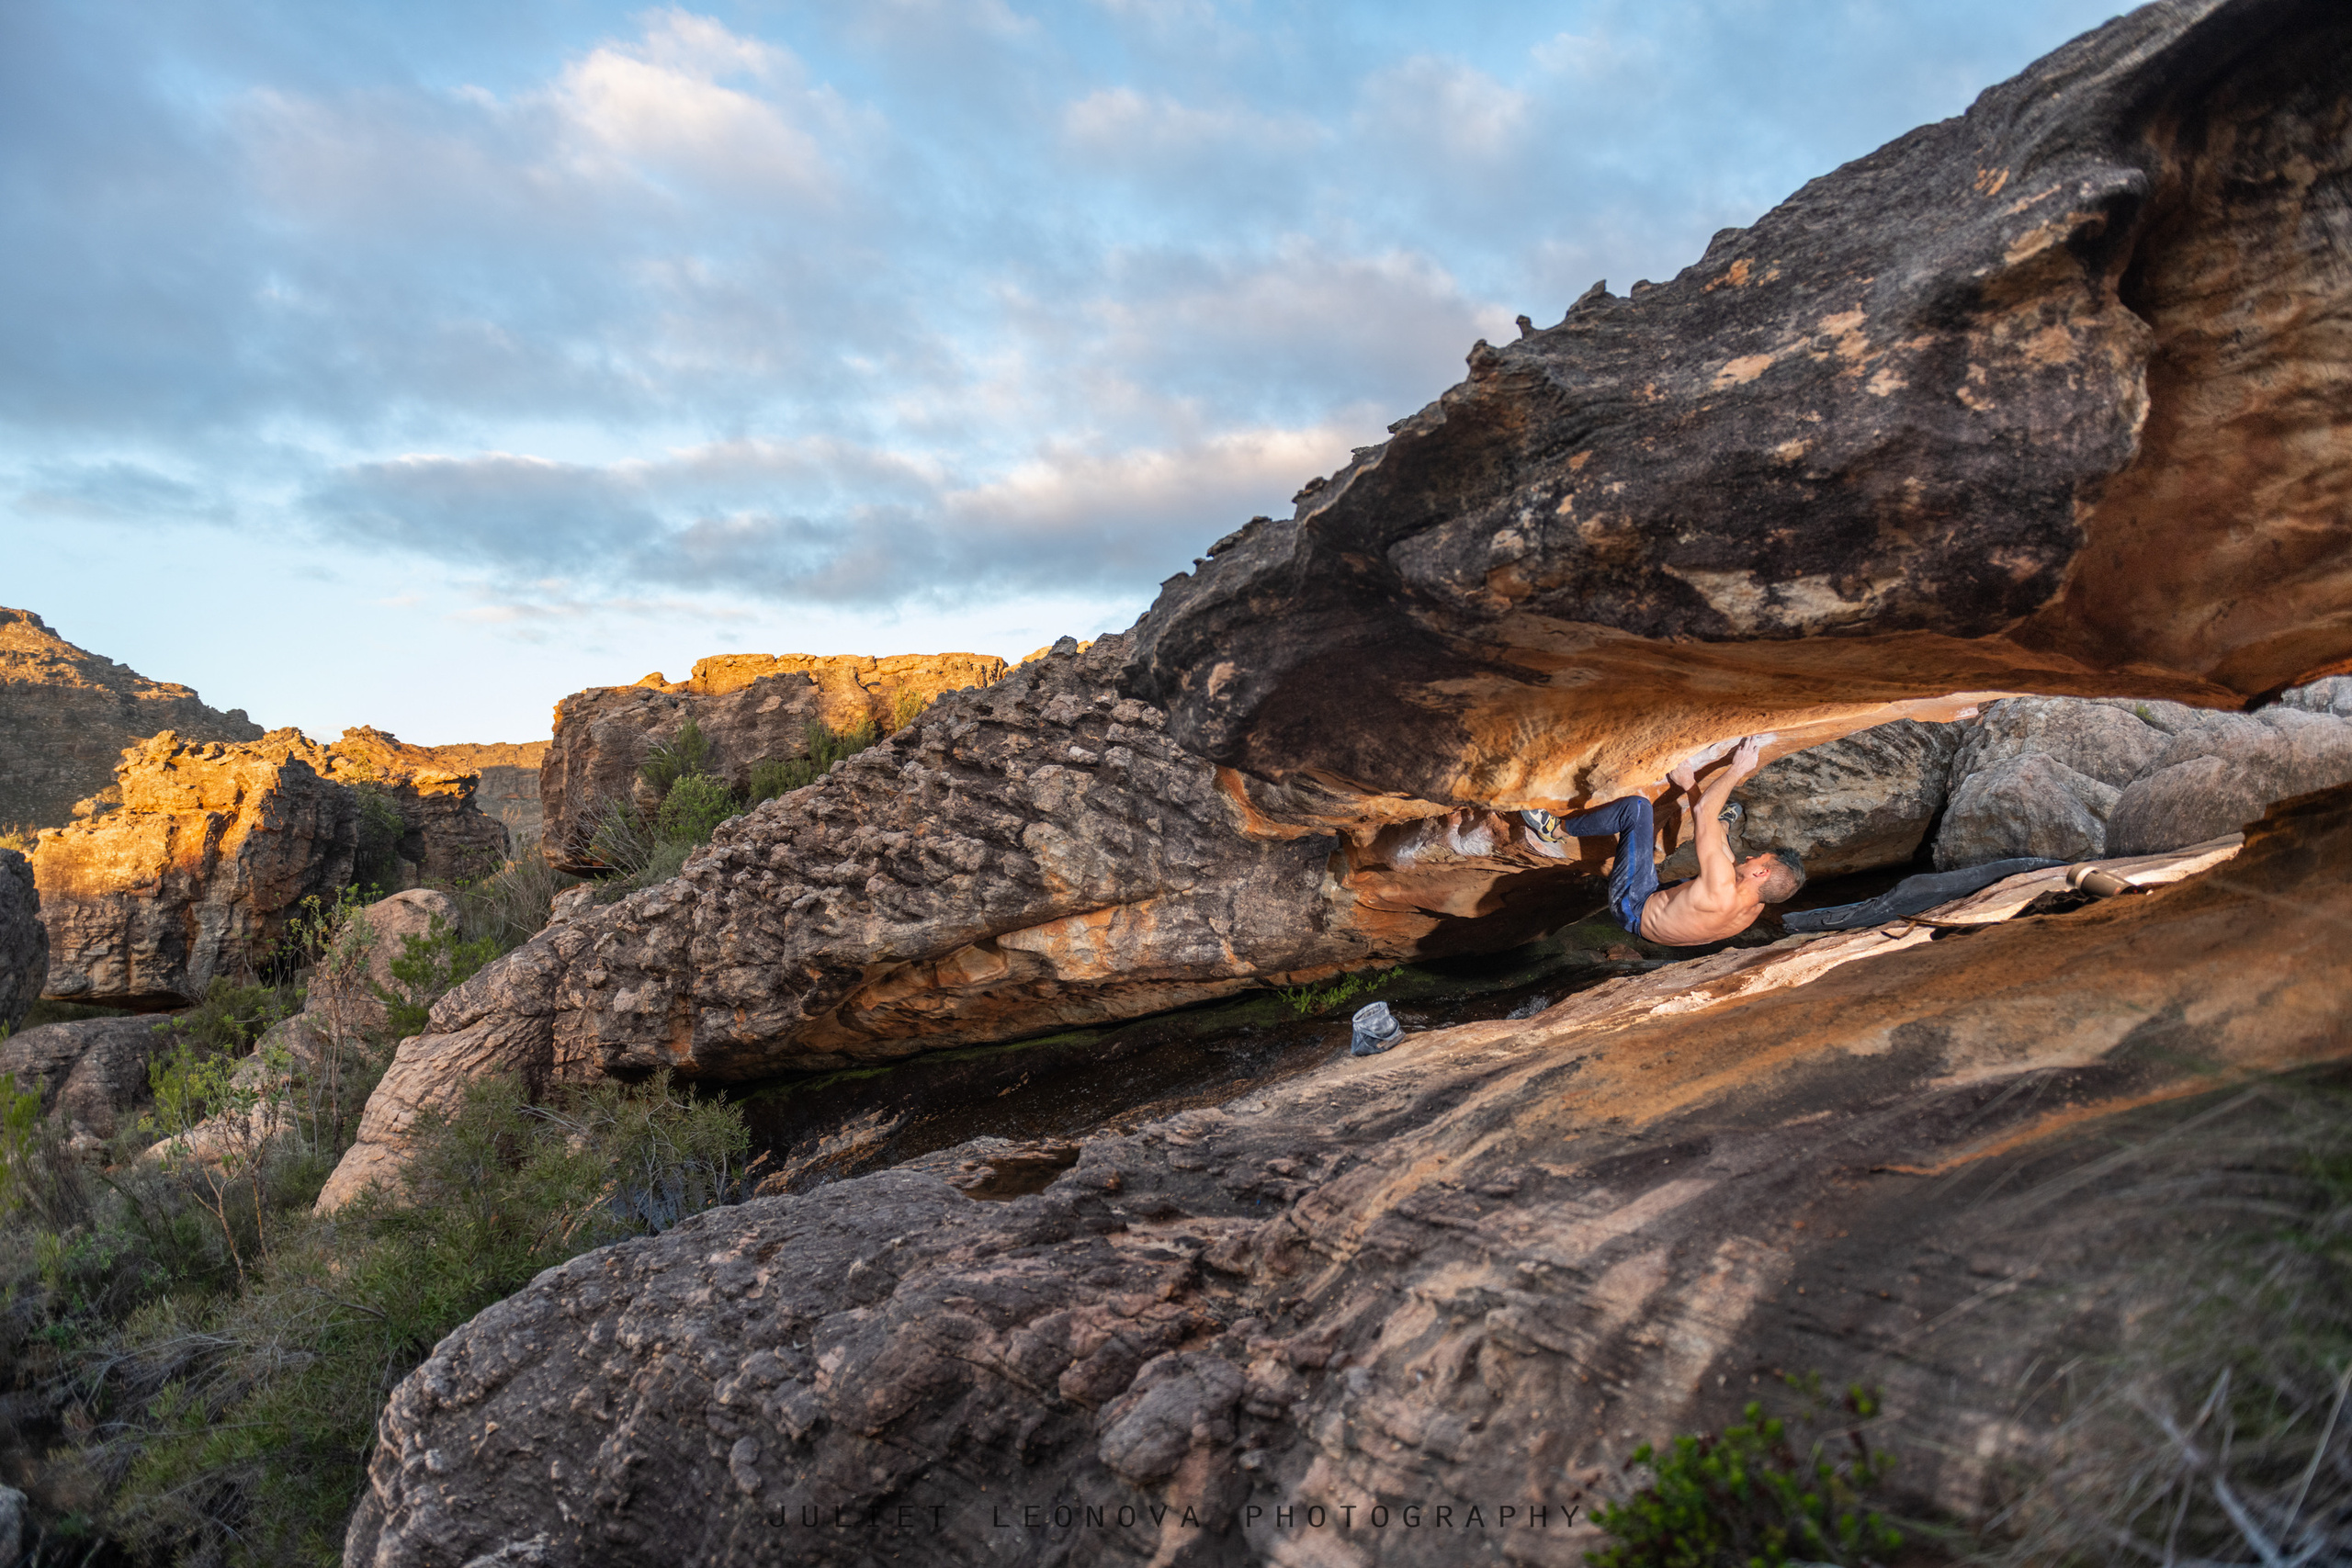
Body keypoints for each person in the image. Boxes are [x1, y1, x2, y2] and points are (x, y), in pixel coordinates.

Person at [1521, 735, 1804, 946]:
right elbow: (1716, 843)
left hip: (1634, 908)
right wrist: (1692, 789)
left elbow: (1703, 810)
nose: (1751, 858)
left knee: (1636, 809)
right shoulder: (1756, 903)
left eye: (1759, 860)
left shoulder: (1721, 886)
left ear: (1762, 872)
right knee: (1721, 853)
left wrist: (1736, 769)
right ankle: (1722, 825)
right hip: (1669, 924)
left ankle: (1555, 829)